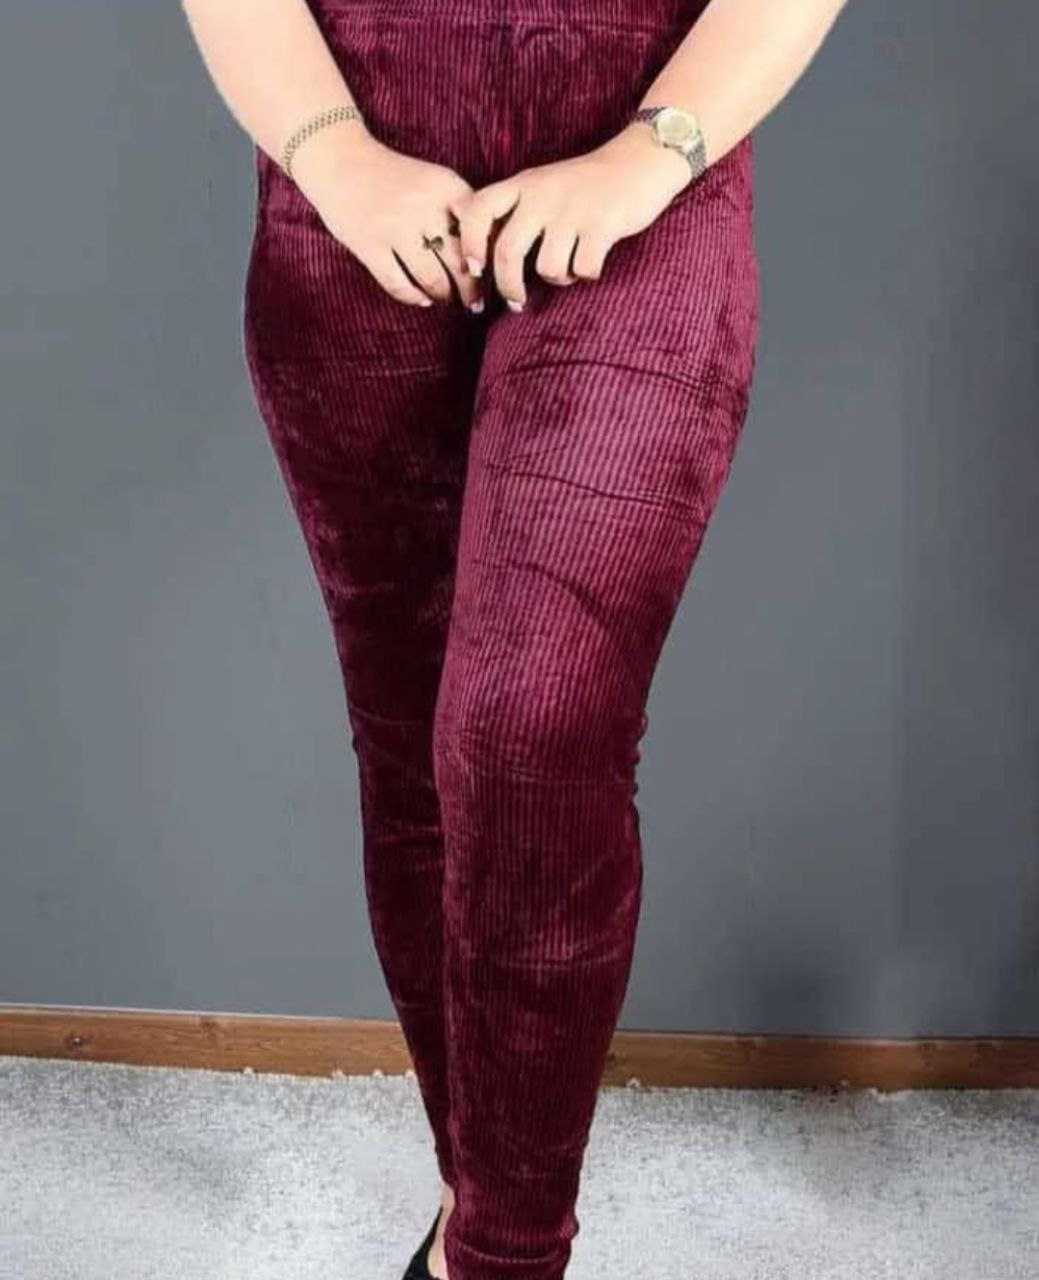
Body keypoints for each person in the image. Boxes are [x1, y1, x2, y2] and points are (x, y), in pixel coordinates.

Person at [180, 0, 849, 1276]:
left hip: (641, 182)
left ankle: (502, 1256)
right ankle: (473, 1199)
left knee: (526, 732)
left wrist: (645, 156)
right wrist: (338, 159)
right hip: (356, 195)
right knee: (412, 756)